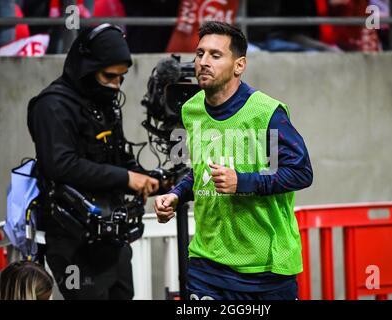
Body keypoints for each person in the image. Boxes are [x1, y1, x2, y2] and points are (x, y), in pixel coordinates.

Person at [154, 21, 313, 300]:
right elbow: (201, 168)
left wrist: (242, 181)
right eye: (200, 53)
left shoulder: (266, 113)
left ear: (239, 65)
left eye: (215, 55)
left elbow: (300, 172)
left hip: (264, 270)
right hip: (207, 263)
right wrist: (177, 195)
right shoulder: (191, 110)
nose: (203, 62)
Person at [27, 24, 159, 299]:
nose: (116, 85)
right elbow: (60, 164)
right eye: (109, 76)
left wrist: (151, 179)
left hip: (112, 238)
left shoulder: (105, 105)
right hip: (72, 241)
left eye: (121, 78)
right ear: (87, 68)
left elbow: (119, 158)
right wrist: (126, 178)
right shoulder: (52, 105)